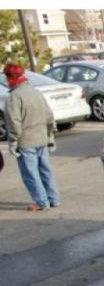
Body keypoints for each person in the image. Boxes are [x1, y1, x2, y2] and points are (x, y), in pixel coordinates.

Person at [4, 62, 59, 211]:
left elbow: (14, 122)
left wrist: (13, 142)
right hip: (42, 138)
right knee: (46, 170)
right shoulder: (36, 92)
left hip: (26, 141)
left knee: (30, 174)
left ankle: (41, 202)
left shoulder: (14, 97)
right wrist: (50, 134)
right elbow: (49, 116)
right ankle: (53, 199)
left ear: (10, 77)